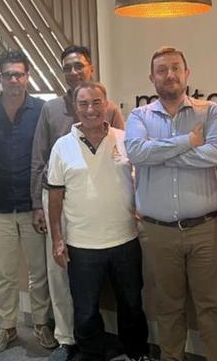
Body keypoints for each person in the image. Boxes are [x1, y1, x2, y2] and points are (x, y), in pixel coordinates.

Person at [124, 47, 217, 361]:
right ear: (152, 78)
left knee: (212, 307)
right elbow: (137, 153)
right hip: (158, 232)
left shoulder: (209, 111)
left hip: (206, 230)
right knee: (168, 307)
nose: (169, 75)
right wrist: (188, 142)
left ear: (187, 73)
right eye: (162, 70)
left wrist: (160, 154)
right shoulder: (139, 116)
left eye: (175, 68)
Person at [30, 44, 124, 361]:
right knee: (59, 270)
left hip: (95, 201)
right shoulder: (50, 109)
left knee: (96, 272)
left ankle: (96, 336)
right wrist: (37, 204)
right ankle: (66, 338)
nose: (73, 72)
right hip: (56, 197)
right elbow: (38, 158)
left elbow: (125, 155)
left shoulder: (109, 108)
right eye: (67, 67)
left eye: (78, 66)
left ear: (90, 68)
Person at [47, 82, 151, 361]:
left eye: (96, 102)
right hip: (81, 245)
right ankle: (92, 354)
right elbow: (55, 198)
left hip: (125, 239)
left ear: (106, 105)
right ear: (75, 108)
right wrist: (57, 240)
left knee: (132, 303)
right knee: (85, 310)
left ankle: (136, 351)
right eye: (83, 104)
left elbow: (143, 179)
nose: (90, 109)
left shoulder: (125, 138)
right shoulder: (62, 147)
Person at [0, 49, 57, 353]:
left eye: (19, 74)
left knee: (39, 271)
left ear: (27, 77)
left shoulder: (41, 110)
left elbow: (50, 154)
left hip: (33, 205)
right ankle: (7, 327)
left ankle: (41, 324)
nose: (14, 80)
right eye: (8, 74)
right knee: (7, 273)